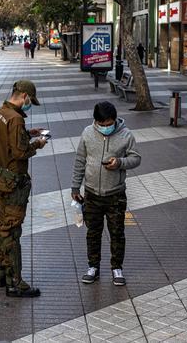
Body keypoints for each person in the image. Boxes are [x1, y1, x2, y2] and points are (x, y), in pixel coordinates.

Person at [71, 101, 141, 286]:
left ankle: (117, 268)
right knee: (93, 232)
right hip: (92, 194)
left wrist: (119, 163)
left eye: (108, 124)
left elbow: (135, 158)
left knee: (117, 232)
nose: (105, 128)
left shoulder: (126, 135)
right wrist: (75, 188)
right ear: (96, 121)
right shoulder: (87, 133)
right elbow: (80, 160)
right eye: (101, 125)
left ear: (114, 119)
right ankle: (93, 266)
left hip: (115, 194)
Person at [0, 80, 47, 297]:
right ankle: (16, 282)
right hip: (14, 180)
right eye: (30, 100)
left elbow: (7, 142)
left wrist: (27, 133)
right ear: (23, 96)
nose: (29, 104)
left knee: (4, 224)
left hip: (1, 177)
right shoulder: (15, 119)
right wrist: (37, 144)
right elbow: (21, 152)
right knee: (12, 230)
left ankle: (2, 273)